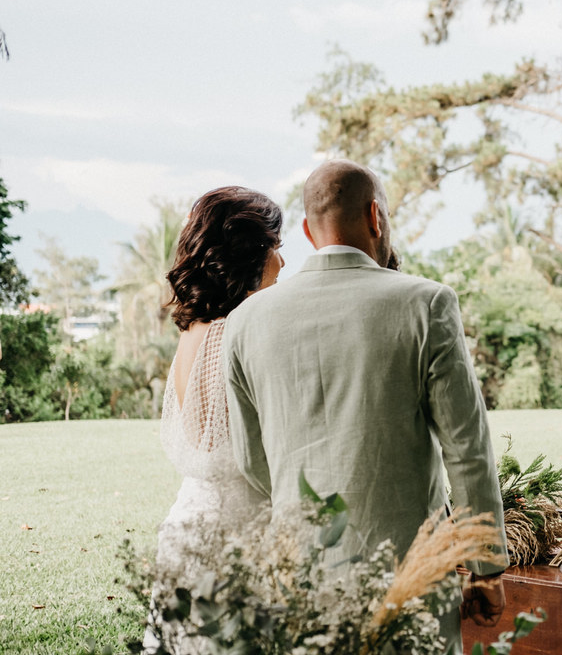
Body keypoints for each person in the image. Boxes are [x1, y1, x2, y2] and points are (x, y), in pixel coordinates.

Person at [222, 159, 508, 653]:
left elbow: (252, 459)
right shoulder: (427, 303)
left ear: (309, 232)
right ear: (376, 217)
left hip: (301, 575)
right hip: (407, 571)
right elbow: (467, 449)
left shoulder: (246, 320)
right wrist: (485, 567)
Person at [156, 186, 282, 573]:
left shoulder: (194, 330)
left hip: (191, 520)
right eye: (275, 245)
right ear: (249, 254)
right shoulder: (239, 334)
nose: (281, 259)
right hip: (240, 533)